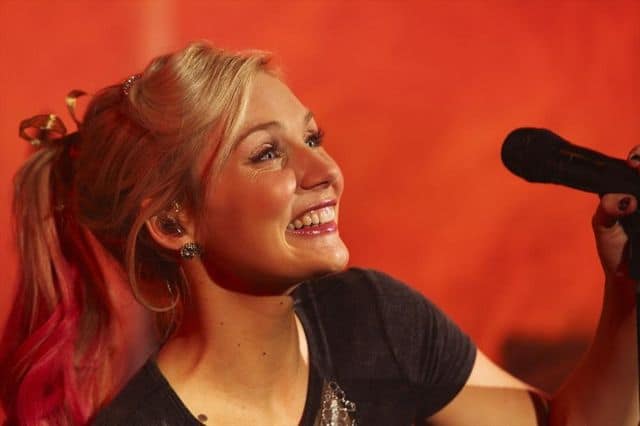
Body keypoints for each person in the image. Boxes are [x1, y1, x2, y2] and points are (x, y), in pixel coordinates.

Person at [0, 42, 637, 426]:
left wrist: (627, 289)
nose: (325, 171)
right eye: (267, 154)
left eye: (312, 137)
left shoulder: (370, 320)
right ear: (173, 221)